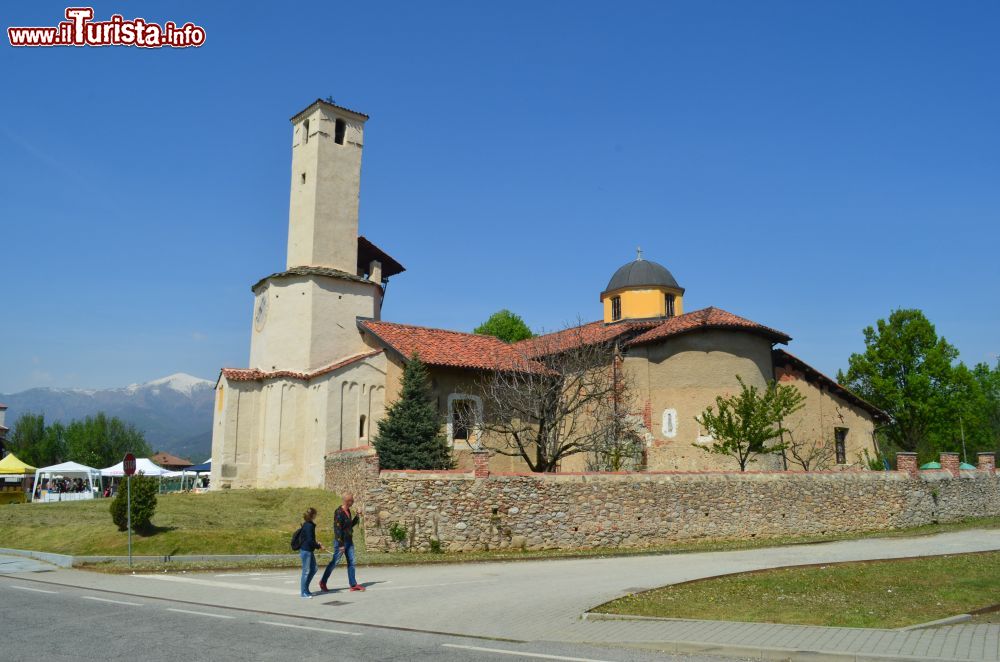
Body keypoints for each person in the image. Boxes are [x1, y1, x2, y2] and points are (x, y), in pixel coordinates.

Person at [319, 493, 364, 592]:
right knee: (334, 562)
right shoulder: (339, 512)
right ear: (346, 501)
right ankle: (323, 582)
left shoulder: (348, 511)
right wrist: (340, 545)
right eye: (351, 500)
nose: (353, 502)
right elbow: (337, 529)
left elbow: (350, 525)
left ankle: (353, 584)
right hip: (341, 543)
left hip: (349, 541)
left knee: (352, 562)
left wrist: (357, 516)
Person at [298, 507, 323, 598]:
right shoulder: (308, 525)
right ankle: (303, 592)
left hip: (308, 550)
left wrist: (317, 543)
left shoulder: (308, 524)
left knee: (314, 569)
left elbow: (310, 539)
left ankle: (306, 589)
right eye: (315, 514)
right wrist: (319, 546)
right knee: (306, 571)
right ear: (312, 515)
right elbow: (309, 541)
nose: (316, 515)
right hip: (306, 550)